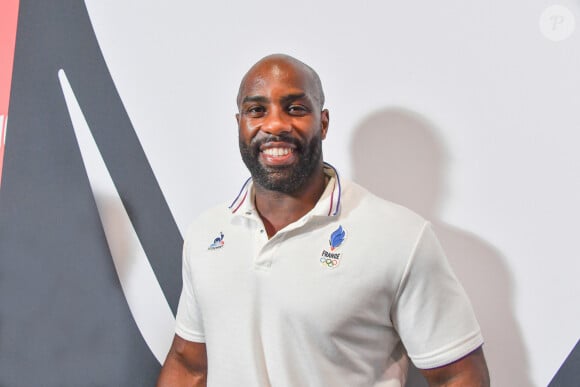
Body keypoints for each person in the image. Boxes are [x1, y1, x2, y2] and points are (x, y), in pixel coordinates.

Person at [157, 54, 490, 386]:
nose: (274, 125)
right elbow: (188, 366)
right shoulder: (207, 233)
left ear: (323, 122)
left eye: (295, 108)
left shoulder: (400, 237)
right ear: (240, 124)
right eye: (257, 110)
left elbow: (458, 376)